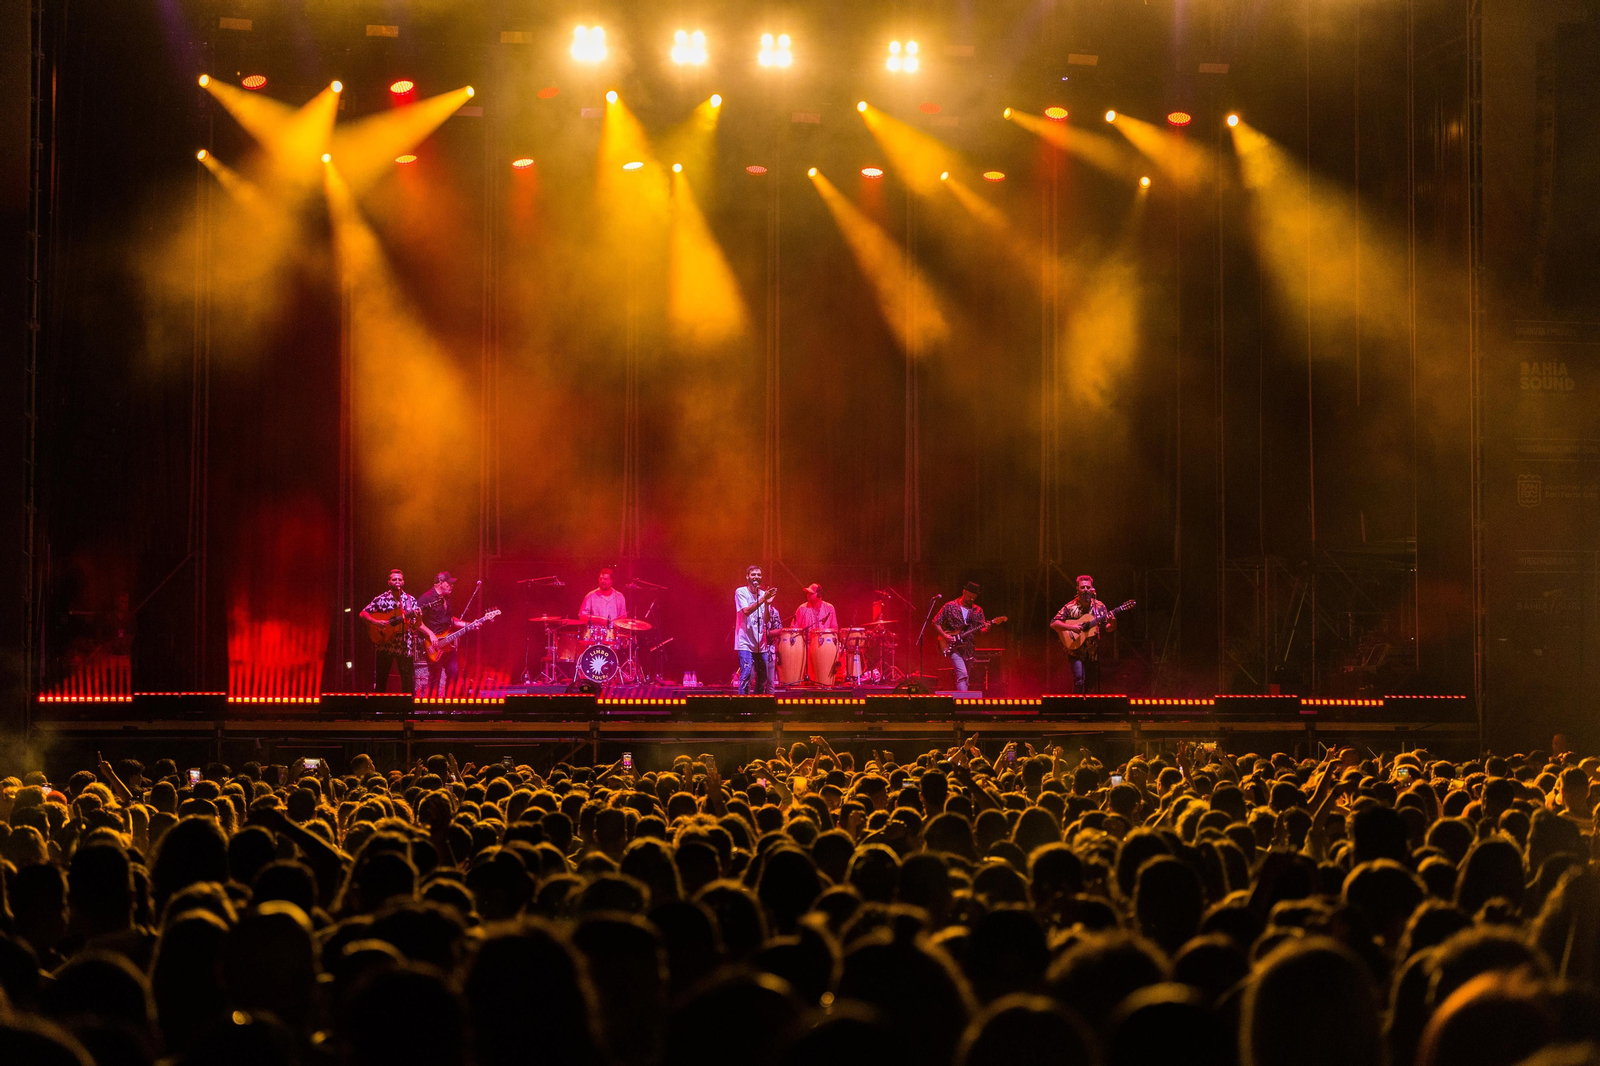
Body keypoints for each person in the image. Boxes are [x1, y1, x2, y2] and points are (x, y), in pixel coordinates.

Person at [360, 569, 420, 693]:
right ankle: (379, 709)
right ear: (389, 582)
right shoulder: (381, 599)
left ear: (403, 582)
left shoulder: (410, 600)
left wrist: (419, 617)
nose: (397, 581)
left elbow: (415, 625)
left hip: (404, 645)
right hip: (385, 644)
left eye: (399, 579)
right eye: (394, 579)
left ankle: (406, 709)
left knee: (407, 680)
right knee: (381, 679)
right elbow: (363, 613)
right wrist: (376, 622)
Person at [1051, 575, 1113, 694]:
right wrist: (1071, 627)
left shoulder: (1099, 607)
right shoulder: (1070, 607)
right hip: (1075, 651)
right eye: (1082, 587)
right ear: (1077, 589)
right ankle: (1077, 709)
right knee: (1079, 680)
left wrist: (1113, 623)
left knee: (1090, 684)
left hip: (1092, 653)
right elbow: (1053, 623)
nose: (1085, 589)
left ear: (1092, 589)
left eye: (1088, 587)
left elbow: (1107, 628)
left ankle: (1089, 710)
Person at [414, 572, 465, 698]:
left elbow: (449, 619)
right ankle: (431, 708)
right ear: (441, 583)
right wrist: (430, 633)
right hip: (432, 644)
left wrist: (467, 624)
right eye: (449, 583)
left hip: (446, 643)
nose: (452, 586)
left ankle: (449, 705)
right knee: (435, 677)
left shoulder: (446, 598)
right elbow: (415, 622)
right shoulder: (426, 599)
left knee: (454, 673)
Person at [734, 565, 781, 694]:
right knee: (747, 675)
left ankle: (757, 707)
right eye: (753, 574)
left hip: (761, 644)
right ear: (747, 577)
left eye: (759, 575)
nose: (756, 577)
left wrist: (767, 603)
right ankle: (743, 709)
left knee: (762, 678)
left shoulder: (762, 595)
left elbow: (766, 620)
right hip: (745, 643)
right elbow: (746, 611)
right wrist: (763, 599)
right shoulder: (741, 592)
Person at [935, 582, 989, 692]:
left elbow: (982, 630)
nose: (971, 600)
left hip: (968, 648)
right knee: (962, 675)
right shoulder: (950, 606)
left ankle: (960, 704)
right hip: (953, 647)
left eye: (974, 598)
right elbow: (935, 622)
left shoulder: (977, 610)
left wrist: (987, 628)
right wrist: (944, 635)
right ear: (964, 592)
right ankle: (963, 703)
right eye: (969, 597)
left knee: (965, 678)